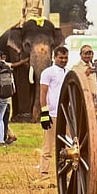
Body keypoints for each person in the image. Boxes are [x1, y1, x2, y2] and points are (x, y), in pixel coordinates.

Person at [33, 46, 69, 186]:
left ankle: (65, 174)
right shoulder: (48, 72)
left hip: (66, 114)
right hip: (52, 114)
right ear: (54, 57)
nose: (63, 60)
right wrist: (44, 112)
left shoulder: (68, 72)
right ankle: (44, 176)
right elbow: (43, 92)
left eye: (65, 58)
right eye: (61, 58)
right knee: (48, 147)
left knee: (69, 146)